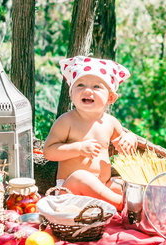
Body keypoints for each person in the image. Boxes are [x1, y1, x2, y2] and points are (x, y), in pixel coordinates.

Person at [43, 56, 137, 211]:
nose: (87, 90)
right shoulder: (67, 121)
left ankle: (123, 200)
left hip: (103, 186)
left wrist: (130, 138)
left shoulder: (110, 122)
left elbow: (122, 143)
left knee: (123, 183)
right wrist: (78, 148)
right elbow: (48, 152)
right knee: (81, 176)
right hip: (71, 191)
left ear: (111, 97)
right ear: (71, 92)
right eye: (80, 85)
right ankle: (124, 205)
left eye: (96, 87)